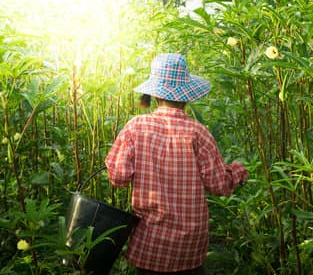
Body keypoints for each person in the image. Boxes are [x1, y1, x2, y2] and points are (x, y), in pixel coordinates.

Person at [105, 53, 248, 275]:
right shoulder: (198, 132)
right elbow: (219, 185)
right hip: (189, 247)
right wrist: (237, 171)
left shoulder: (135, 127)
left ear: (154, 94)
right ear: (187, 95)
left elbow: (118, 178)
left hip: (150, 243)